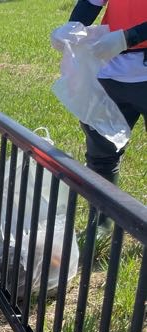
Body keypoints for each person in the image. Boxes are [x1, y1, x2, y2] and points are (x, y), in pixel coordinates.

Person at [60, 0, 147, 241]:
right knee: (101, 151)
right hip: (112, 69)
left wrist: (129, 37)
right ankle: (102, 221)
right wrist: (71, 29)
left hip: (124, 50)